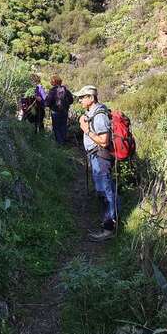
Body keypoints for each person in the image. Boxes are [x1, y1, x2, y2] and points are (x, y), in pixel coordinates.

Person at [74, 85, 118, 242]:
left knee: (105, 192)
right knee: (104, 190)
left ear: (91, 98)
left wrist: (86, 130)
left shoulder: (99, 115)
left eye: (82, 97)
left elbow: (104, 141)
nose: (80, 100)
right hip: (96, 157)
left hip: (101, 158)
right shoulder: (92, 112)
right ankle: (109, 220)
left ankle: (109, 228)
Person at [44, 75, 73, 145]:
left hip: (55, 112)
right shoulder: (66, 90)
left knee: (56, 127)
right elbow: (71, 100)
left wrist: (49, 105)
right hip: (65, 111)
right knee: (63, 126)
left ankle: (60, 143)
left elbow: (47, 103)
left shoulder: (52, 91)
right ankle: (64, 141)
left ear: (53, 82)